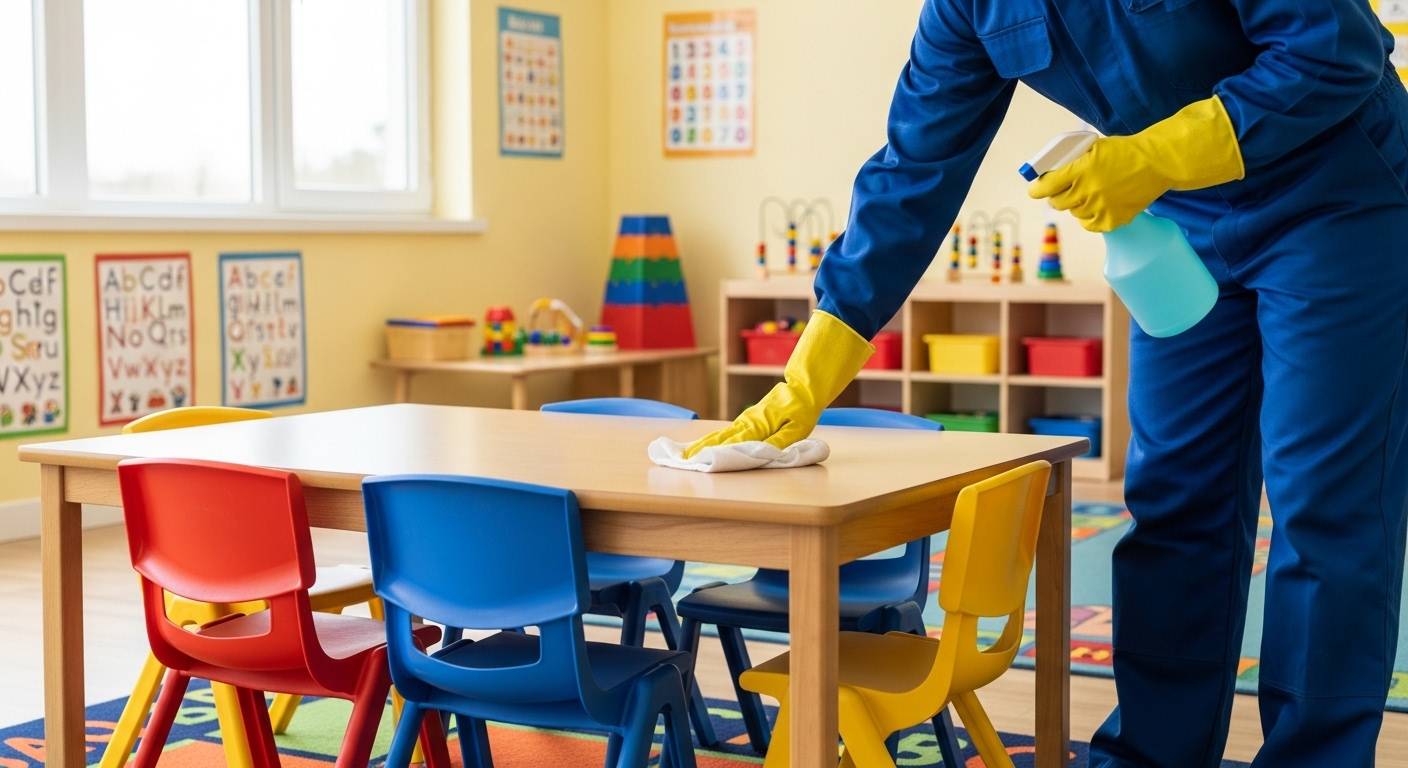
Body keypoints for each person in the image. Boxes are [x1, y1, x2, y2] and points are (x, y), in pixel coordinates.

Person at [685, 2, 1408, 765]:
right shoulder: (964, 10)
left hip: (1336, 201)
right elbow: (913, 172)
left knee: (1324, 503)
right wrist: (805, 381)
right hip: (1183, 227)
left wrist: (1152, 158)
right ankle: (1151, 754)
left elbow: (1338, 49)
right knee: (1175, 499)